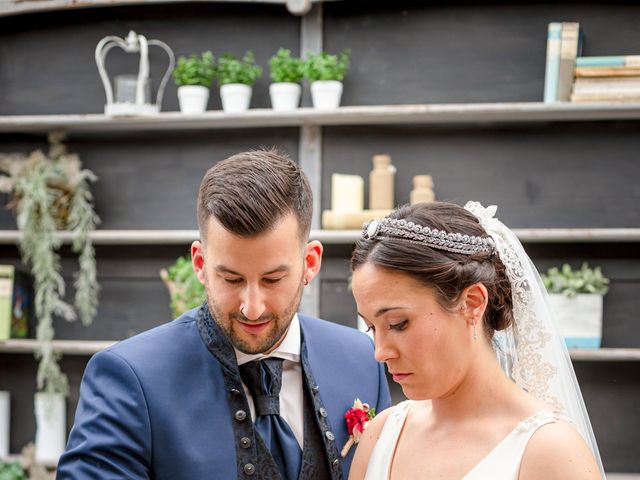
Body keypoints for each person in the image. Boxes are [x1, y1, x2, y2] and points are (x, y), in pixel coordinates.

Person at [57, 149, 391, 480]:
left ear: (311, 262)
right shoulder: (128, 377)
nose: (253, 307)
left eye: (273, 279)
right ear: (200, 264)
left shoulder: (363, 359)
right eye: (231, 279)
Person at [347, 201, 604, 480]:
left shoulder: (551, 452)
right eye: (372, 327)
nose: (380, 353)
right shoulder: (381, 435)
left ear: (472, 303)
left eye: (398, 324)